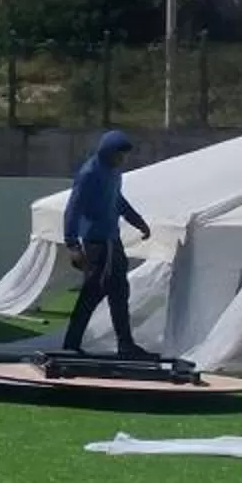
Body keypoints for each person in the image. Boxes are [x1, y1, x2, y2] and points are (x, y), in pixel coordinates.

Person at [61, 129, 153, 357]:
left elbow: (117, 200)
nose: (122, 159)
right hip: (97, 243)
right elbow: (73, 208)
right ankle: (73, 344)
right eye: (119, 155)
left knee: (118, 291)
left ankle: (125, 344)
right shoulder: (90, 173)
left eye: (123, 156)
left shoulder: (114, 172)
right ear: (108, 151)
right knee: (94, 293)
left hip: (113, 240)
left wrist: (137, 221)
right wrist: (72, 244)